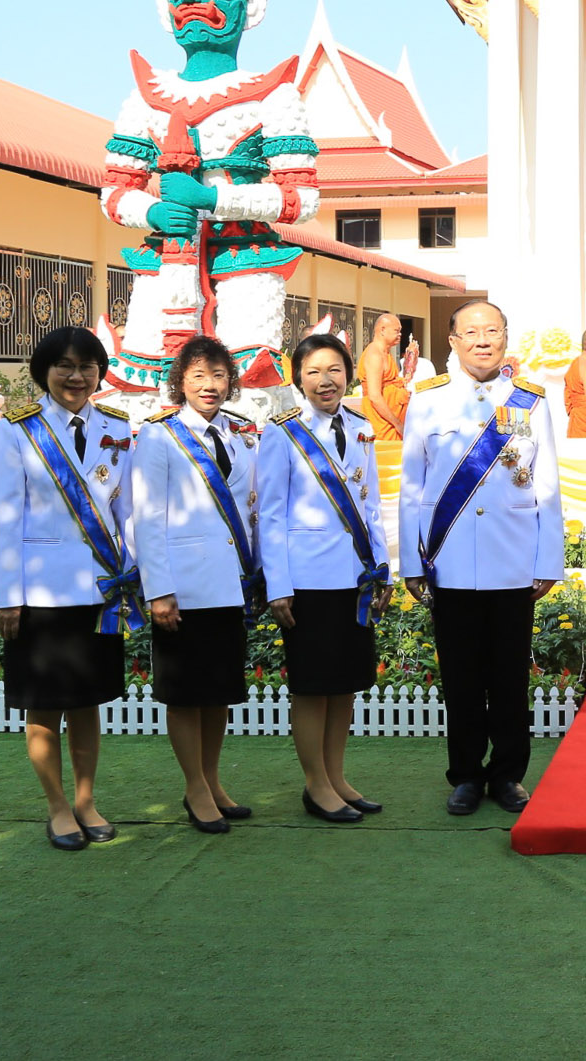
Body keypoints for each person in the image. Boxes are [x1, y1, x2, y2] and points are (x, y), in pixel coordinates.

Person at [401, 301, 564, 817]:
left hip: (512, 560)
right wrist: (411, 561)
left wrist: (547, 562)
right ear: (451, 340)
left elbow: (549, 487)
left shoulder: (530, 401)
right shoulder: (426, 401)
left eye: (492, 331)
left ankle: (509, 775)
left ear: (505, 337)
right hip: (448, 561)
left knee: (511, 676)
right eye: (470, 332)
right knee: (463, 678)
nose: (482, 340)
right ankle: (467, 775)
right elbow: (411, 487)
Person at [0, 326, 140, 851]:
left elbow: (128, 512)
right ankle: (56, 806)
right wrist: (7, 595)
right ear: (44, 371)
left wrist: (136, 574)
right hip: (42, 594)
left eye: (86, 366)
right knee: (45, 706)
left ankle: (85, 800)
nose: (76, 376)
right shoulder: (17, 430)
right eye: (64, 365)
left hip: (99, 590)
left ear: (100, 372)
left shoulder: (117, 426)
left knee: (88, 702)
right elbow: (5, 518)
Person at [132, 335, 266, 835]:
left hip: (230, 585)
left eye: (218, 376)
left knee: (219, 692)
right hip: (183, 589)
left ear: (230, 380)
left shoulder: (239, 433)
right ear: (180, 382)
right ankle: (194, 787)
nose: (209, 386)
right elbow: (146, 517)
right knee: (188, 694)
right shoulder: (158, 436)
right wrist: (159, 590)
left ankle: (212, 781)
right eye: (198, 377)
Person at [260, 334, 390, 824]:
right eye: (313, 371)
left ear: (348, 374)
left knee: (344, 685)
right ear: (298, 379)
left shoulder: (360, 427)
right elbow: (269, 515)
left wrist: (381, 571)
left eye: (334, 369)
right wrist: (278, 586)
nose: (325, 380)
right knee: (313, 686)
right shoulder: (282, 433)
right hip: (307, 580)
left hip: (354, 575)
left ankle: (336, 777)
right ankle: (315, 785)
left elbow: (371, 505)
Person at [357, 313, 418, 441]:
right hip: (382, 420)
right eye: (397, 331)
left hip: (393, 414)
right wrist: (397, 424)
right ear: (382, 330)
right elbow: (374, 396)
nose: (400, 334)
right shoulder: (375, 354)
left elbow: (393, 383)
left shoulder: (387, 353)